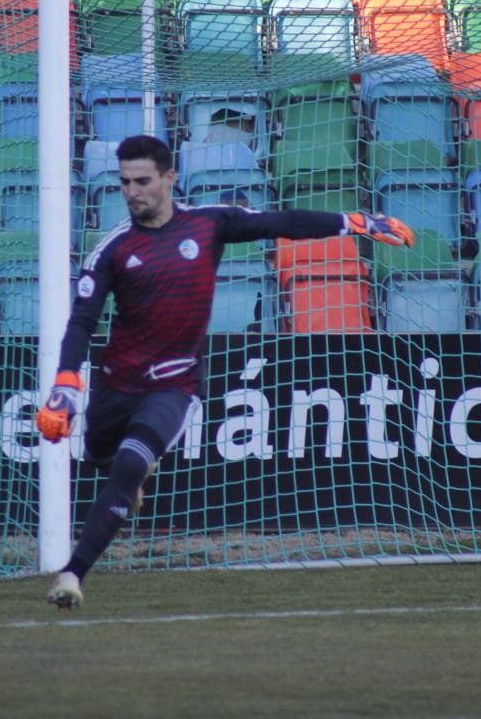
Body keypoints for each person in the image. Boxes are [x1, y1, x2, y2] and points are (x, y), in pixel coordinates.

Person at [34, 135, 415, 609]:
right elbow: (82, 321)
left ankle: (72, 574)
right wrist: (67, 382)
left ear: (170, 178)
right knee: (100, 457)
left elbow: (282, 222)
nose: (132, 192)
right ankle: (122, 477)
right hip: (116, 383)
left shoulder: (209, 223)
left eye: (143, 181)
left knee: (132, 464)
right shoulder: (113, 250)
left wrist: (352, 222)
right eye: (125, 182)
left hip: (175, 383)